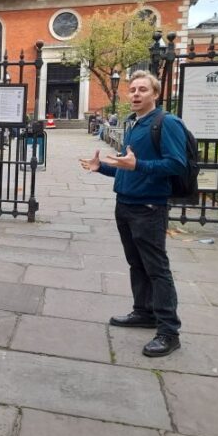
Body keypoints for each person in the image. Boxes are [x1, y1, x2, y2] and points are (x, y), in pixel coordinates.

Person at [80, 70, 184, 357]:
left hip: (149, 207)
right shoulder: (134, 123)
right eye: (133, 90)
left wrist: (139, 166)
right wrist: (100, 167)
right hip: (125, 203)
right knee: (136, 263)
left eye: (143, 90)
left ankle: (168, 331)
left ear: (156, 94)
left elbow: (176, 164)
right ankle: (143, 312)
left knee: (156, 268)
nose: (136, 94)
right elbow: (128, 167)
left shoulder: (166, 123)